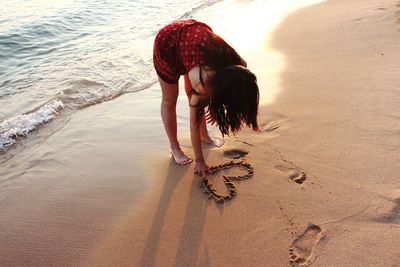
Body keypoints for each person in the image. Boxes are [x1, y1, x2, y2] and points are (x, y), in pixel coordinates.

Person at [153, 19, 259, 177]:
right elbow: (194, 120)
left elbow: (239, 88)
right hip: (168, 43)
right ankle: (175, 148)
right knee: (171, 100)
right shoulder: (203, 78)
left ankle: (205, 135)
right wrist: (199, 160)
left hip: (193, 43)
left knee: (197, 95)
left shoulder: (240, 64)